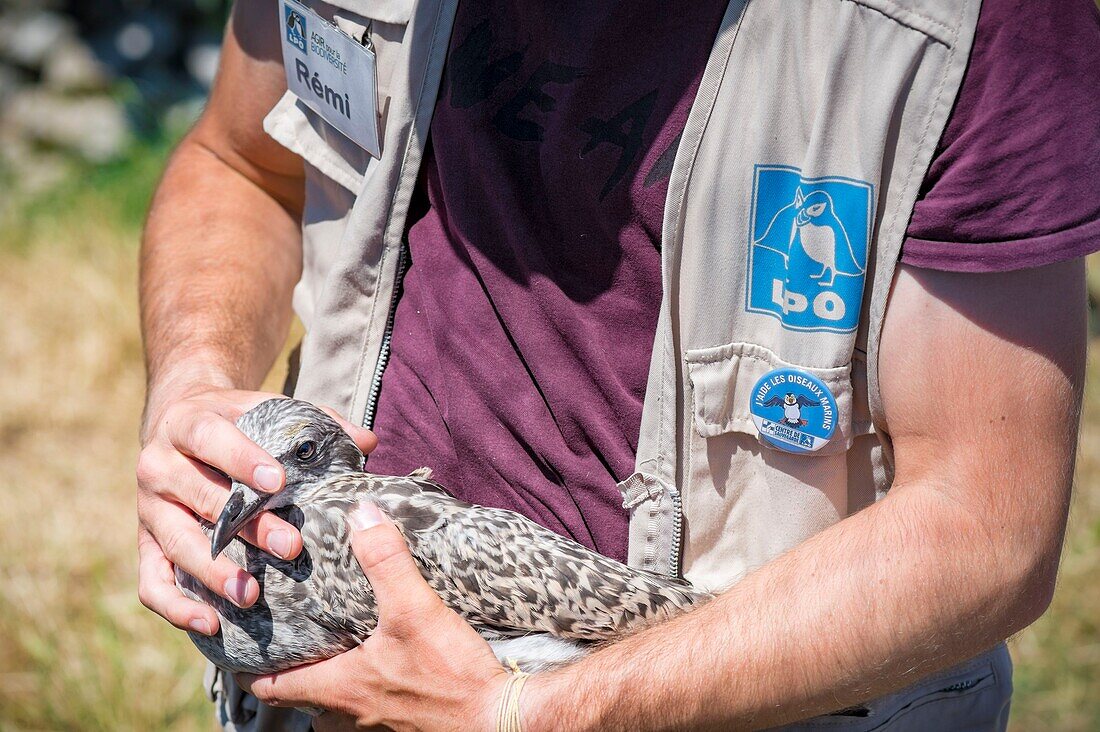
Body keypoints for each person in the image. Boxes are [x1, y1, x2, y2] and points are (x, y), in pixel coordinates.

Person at [136, 0, 1100, 728]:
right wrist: (194, 390)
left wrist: (528, 710)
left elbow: (984, 528)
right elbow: (241, 162)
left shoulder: (982, 26)